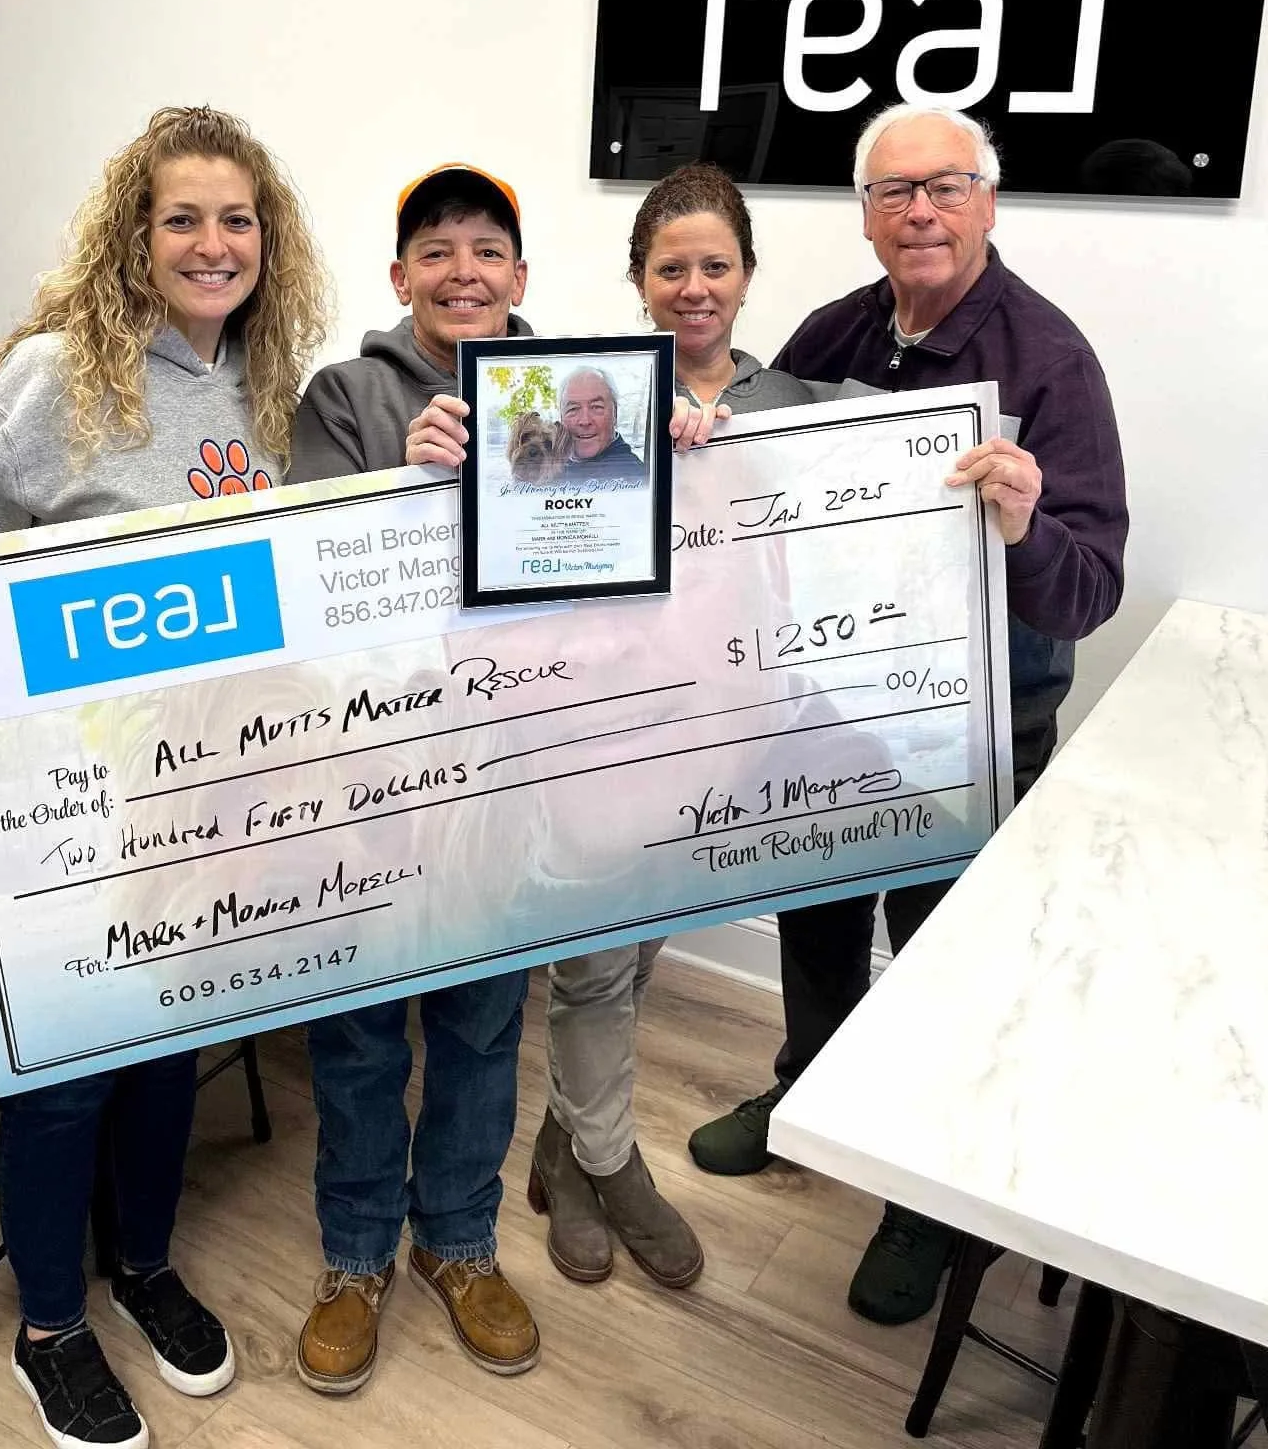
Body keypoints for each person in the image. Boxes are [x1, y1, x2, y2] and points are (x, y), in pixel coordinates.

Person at [0, 106, 330, 1449]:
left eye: (237, 219)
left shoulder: (270, 384)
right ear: (136, 236)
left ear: (265, 241)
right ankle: (53, 1324)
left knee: (169, 1050)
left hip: (209, 793)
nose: (213, 243)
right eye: (184, 218)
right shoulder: (64, 376)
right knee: (60, 1073)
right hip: (64, 800)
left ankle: (144, 1264)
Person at [687, 101, 1128, 1328]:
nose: (919, 212)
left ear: (988, 200)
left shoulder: (1051, 360)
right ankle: (805, 1095)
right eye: (892, 193)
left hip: (968, 737)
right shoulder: (833, 333)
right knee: (819, 925)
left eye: (944, 187)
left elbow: (1092, 592)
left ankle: (922, 1205)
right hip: (829, 716)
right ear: (866, 214)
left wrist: (1030, 522)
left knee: (938, 965)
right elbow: (753, 499)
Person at [529, 161, 850, 1292]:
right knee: (592, 969)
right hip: (609, 736)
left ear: (749, 275)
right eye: (673, 267)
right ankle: (608, 1164)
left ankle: (566, 1145)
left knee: (638, 956)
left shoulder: (795, 405)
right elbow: (535, 563)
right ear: (639, 280)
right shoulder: (581, 402)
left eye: (716, 265)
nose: (696, 286)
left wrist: (984, 472)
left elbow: (882, 490)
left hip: (729, 742)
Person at [286, 161, 541, 1396]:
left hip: (512, 766)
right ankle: (353, 1255)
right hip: (373, 771)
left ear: (521, 277)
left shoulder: (588, 395)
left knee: (487, 1023)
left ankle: (460, 1240)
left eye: (487, 249)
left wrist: (677, 448)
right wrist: (407, 480)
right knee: (361, 1033)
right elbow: (312, 579)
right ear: (400, 279)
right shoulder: (344, 396)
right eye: (436, 250)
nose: (463, 272)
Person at [556, 368, 646, 485]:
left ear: (615, 414)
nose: (585, 421)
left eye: (596, 407)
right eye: (573, 409)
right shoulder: (548, 469)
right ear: (561, 417)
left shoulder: (634, 477)